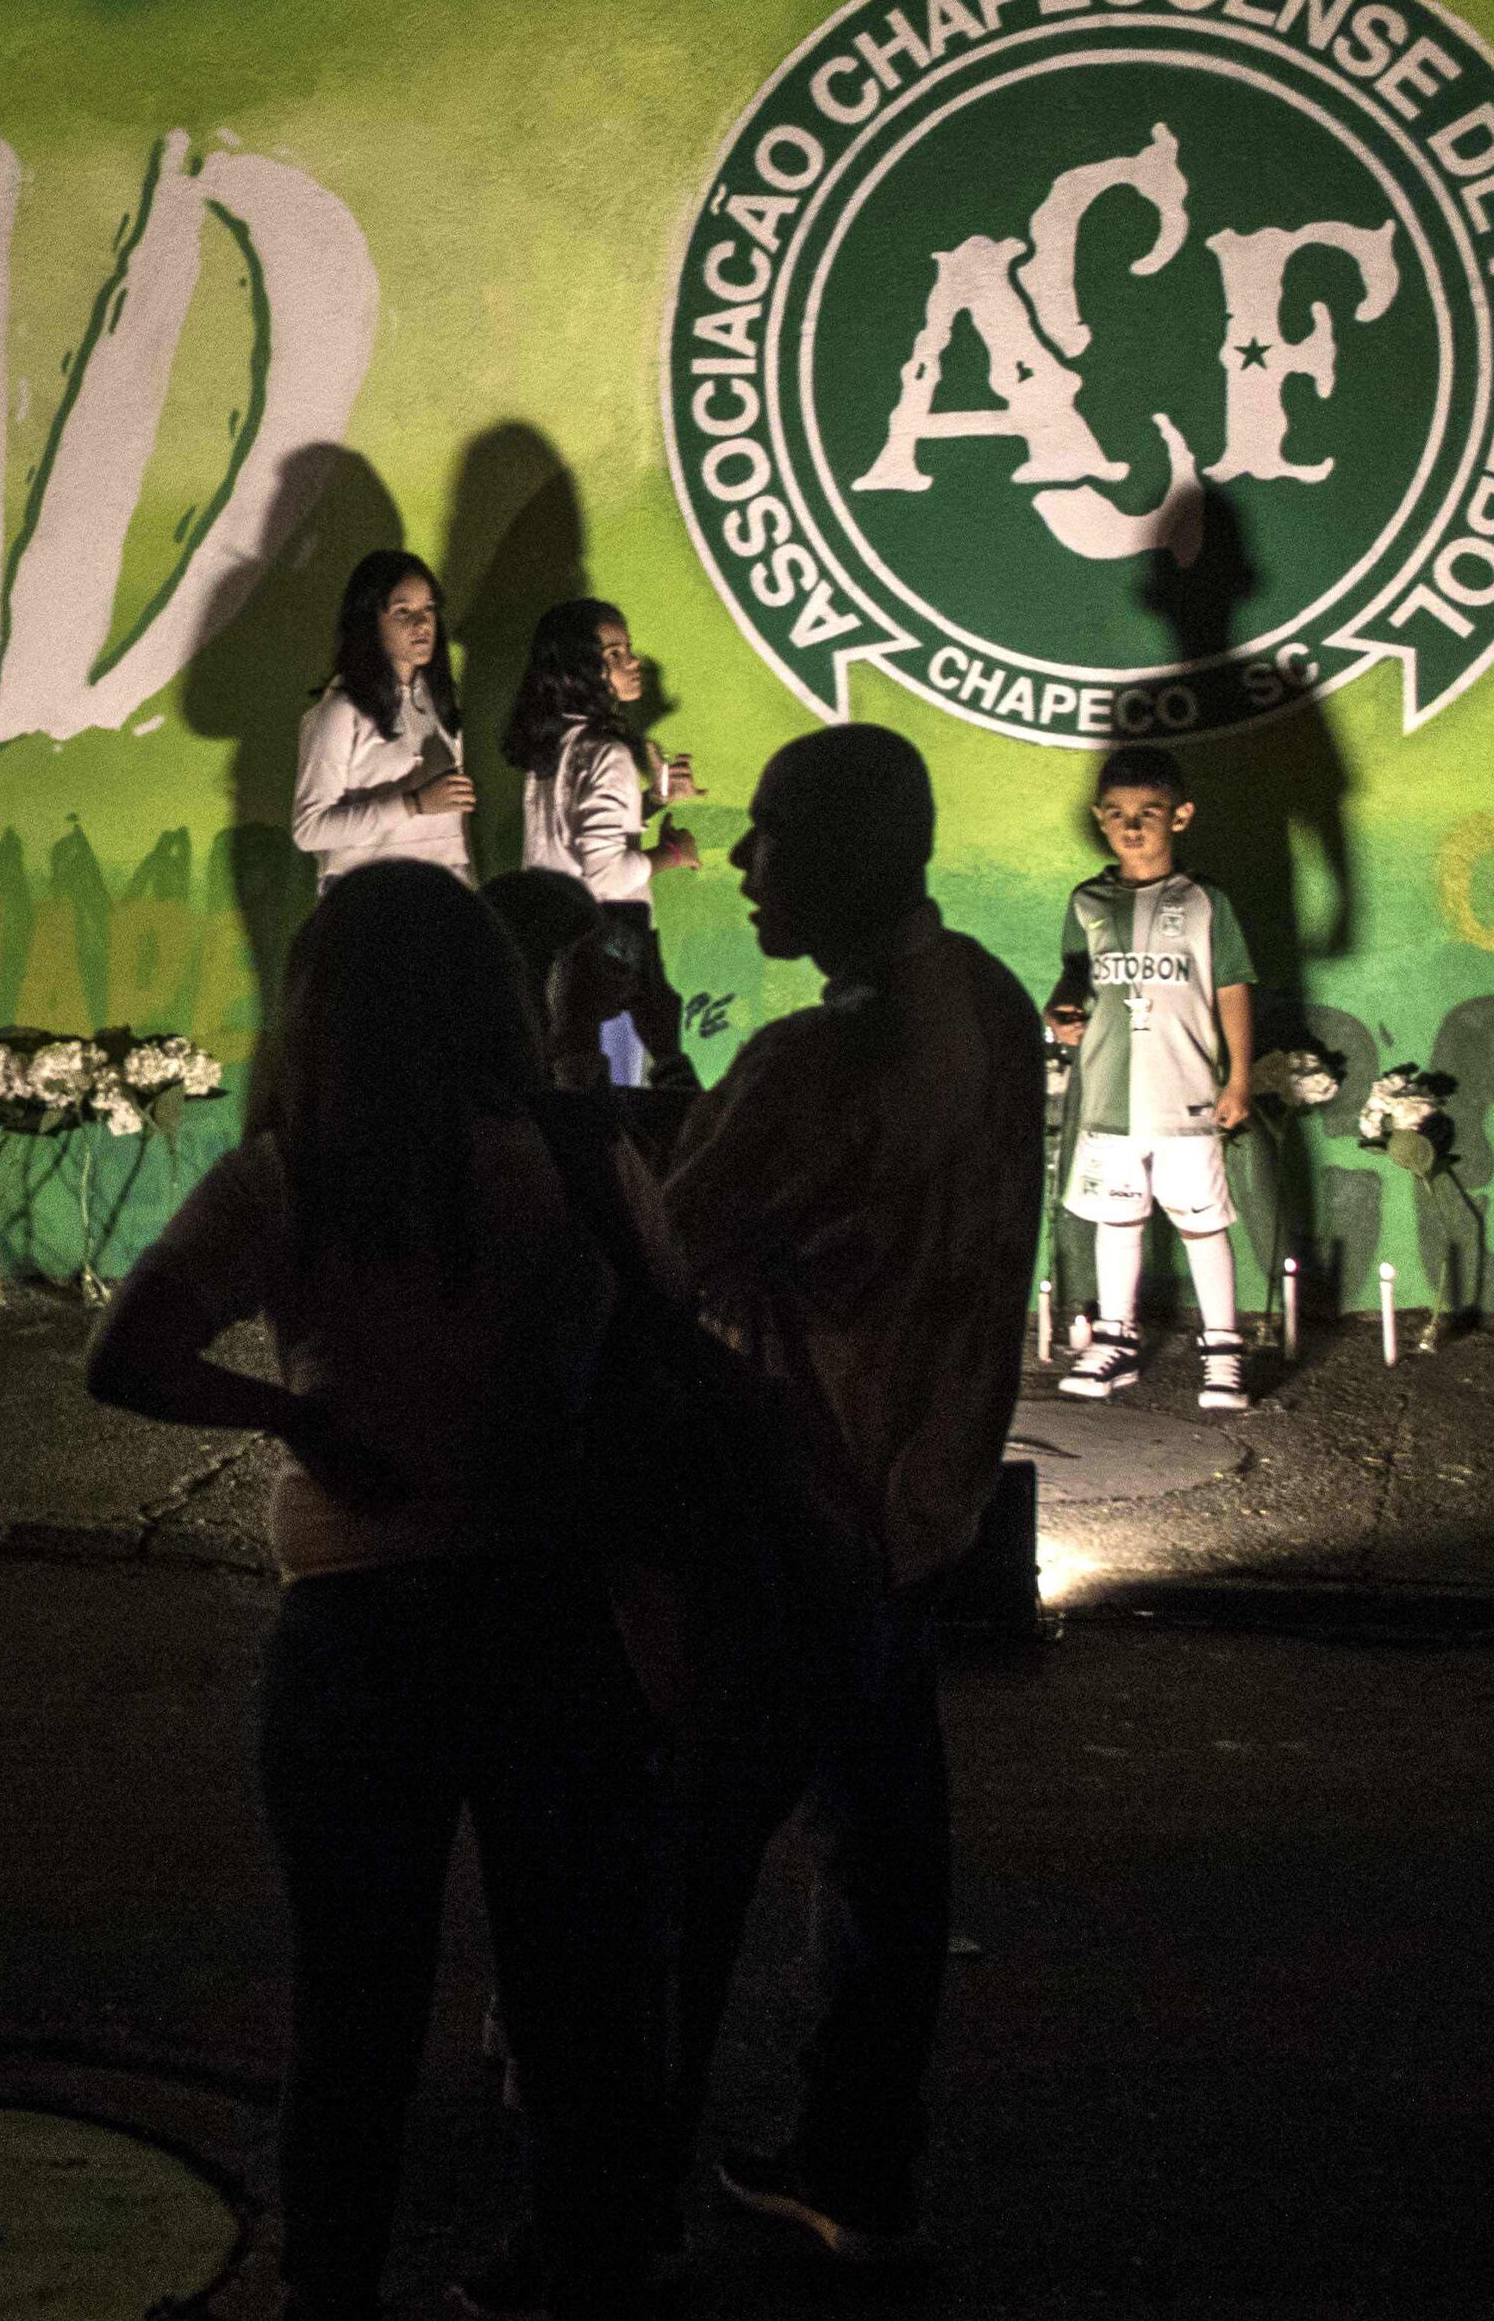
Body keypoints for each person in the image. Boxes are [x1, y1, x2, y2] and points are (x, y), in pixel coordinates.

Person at [86, 863, 666, 2321]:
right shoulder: (567, 1152)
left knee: (354, 2009)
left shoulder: (292, 1172)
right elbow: (667, 1321)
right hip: (550, 1610)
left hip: (356, 1631)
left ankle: (327, 2289)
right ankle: (580, 2268)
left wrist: (296, 1420)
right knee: (569, 1992)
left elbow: (128, 1356)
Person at [653, 723, 1044, 2268]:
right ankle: (854, 2162)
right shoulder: (996, 1009)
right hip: (917, 1515)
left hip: (786, 1514)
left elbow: (662, 1254)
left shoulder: (815, 1064)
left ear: (842, 857)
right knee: (885, 1862)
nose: (741, 864)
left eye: (767, 837)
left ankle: (612, 2203)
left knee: (684, 1870)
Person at [1047, 744, 1260, 1413]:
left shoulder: (1203, 901)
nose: (1131, 825)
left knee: (1201, 1223)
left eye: (1148, 811)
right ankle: (1116, 1342)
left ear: (1181, 816)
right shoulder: (1087, 900)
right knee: (1118, 1218)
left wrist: (1239, 1077)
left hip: (1186, 1093)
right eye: (1116, 813)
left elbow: (1231, 987)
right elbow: (1074, 976)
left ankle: (1223, 1353)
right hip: (1110, 1097)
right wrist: (1063, 1013)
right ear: (1099, 820)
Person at [503, 600, 702, 1085]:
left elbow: (580, 836)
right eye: (614, 654)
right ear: (579, 669)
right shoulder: (607, 753)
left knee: (569, 1073)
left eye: (627, 650)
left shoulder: (556, 747)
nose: (633, 662)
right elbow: (606, 871)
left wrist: (654, 799)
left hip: (555, 936)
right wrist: (672, 855)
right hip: (607, 932)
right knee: (620, 1074)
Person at [290, 549, 483, 884]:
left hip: (444, 892)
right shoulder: (341, 710)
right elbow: (309, 829)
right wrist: (414, 804)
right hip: (371, 895)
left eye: (428, 609)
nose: (421, 623)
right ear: (370, 621)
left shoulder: (441, 700)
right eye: (402, 611)